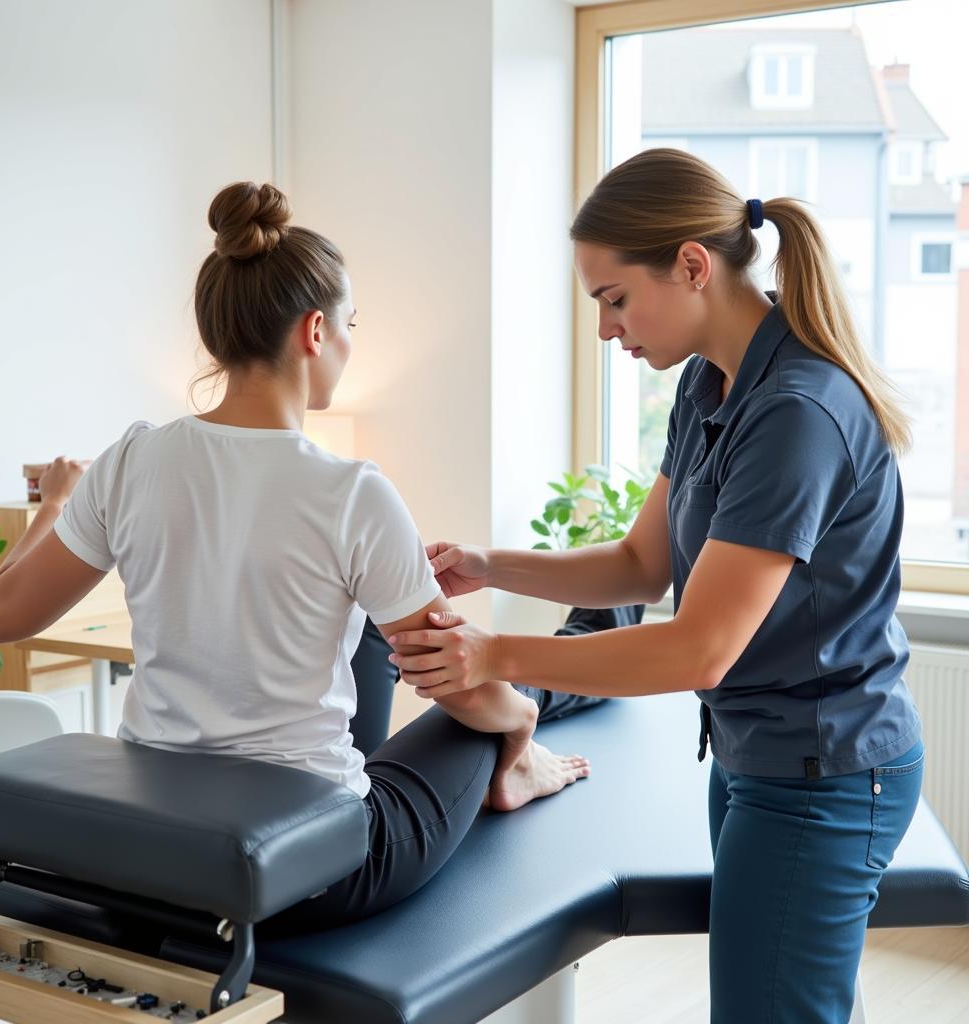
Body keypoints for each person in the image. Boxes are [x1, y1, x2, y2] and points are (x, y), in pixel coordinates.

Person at [0, 180, 612, 934]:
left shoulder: (131, 459)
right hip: (315, 874)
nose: (349, 343)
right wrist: (521, 724)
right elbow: (464, 685)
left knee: (387, 628)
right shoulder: (350, 492)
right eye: (351, 325)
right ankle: (530, 760)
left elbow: (2, 615)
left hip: (157, 856)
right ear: (316, 331)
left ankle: (561, 674)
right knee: (480, 712)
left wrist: (53, 503)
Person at [388, 148, 924, 1023]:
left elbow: (700, 648)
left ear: (691, 265)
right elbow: (644, 565)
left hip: (824, 773)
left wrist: (492, 656)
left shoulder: (796, 411)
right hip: (763, 757)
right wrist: (490, 565)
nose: (606, 329)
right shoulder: (710, 384)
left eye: (614, 299)